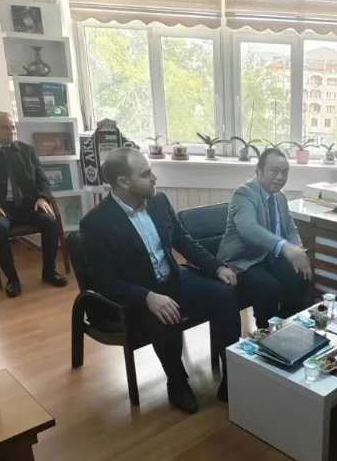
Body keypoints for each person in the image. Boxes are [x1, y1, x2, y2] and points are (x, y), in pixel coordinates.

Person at [79, 148, 241, 414]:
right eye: (145, 174)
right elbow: (104, 280)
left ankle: (232, 377)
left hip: (173, 278)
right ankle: (176, 382)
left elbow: (183, 240)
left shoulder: (158, 201)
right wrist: (146, 297)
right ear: (124, 182)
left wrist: (216, 267)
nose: (154, 178)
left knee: (225, 294)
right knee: (163, 316)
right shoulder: (96, 222)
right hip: (137, 293)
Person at [0, 111, 68, 297]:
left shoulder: (27, 150)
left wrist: (42, 197)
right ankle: (12, 279)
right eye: (5, 127)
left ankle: (49, 271)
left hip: (29, 205)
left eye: (13, 127)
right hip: (0, 208)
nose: (12, 131)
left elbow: (42, 180)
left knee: (50, 221)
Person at [217, 148, 311, 329]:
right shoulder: (244, 193)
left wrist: (298, 250)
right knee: (268, 287)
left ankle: (288, 327)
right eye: (274, 171)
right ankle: (266, 335)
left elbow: (290, 229)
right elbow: (249, 228)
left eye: (285, 172)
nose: (280, 177)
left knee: (300, 275)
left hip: (268, 258)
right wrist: (285, 247)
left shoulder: (280, 197)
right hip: (243, 261)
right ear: (258, 170)